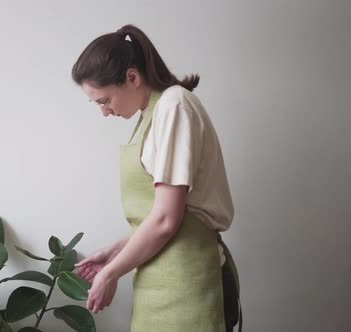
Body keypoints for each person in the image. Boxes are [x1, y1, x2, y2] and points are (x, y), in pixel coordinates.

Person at [71, 24, 242, 332]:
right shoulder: (152, 115)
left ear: (132, 77)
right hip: (160, 280)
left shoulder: (174, 105)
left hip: (188, 282)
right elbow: (159, 214)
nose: (104, 112)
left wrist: (110, 273)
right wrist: (114, 251)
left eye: (104, 100)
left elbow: (167, 220)